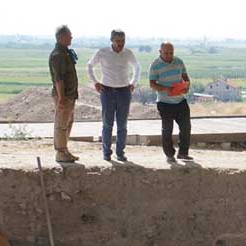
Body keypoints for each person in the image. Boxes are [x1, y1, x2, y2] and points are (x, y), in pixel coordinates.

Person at [87, 29, 140, 162]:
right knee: (107, 124)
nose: (120, 44)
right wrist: (95, 82)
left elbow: (137, 67)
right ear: (111, 40)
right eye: (118, 41)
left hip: (124, 91)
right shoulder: (102, 52)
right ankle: (106, 153)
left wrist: (133, 83)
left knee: (122, 125)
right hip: (107, 91)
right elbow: (89, 66)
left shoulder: (128, 53)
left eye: (123, 41)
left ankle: (120, 152)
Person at [148, 42, 192, 163]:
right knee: (167, 129)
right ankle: (169, 154)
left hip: (180, 100)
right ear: (160, 52)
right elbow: (152, 84)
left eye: (171, 53)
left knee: (186, 127)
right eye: (166, 53)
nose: (169, 55)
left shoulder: (179, 61)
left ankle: (183, 153)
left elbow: (186, 77)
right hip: (164, 102)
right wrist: (166, 89)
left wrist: (187, 85)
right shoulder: (155, 65)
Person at [49, 25, 79, 163]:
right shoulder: (58, 55)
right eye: (69, 35)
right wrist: (61, 98)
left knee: (67, 122)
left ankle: (64, 149)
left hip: (69, 95)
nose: (71, 37)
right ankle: (61, 152)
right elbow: (59, 79)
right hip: (64, 96)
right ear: (61, 37)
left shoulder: (65, 53)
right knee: (61, 124)